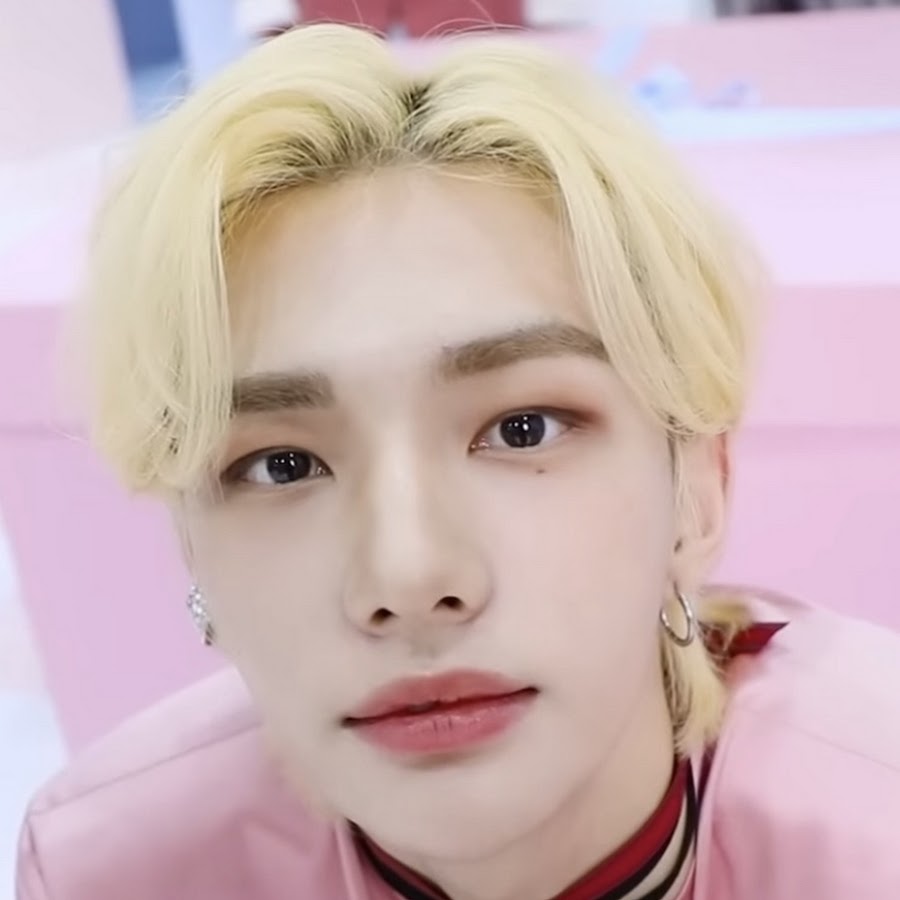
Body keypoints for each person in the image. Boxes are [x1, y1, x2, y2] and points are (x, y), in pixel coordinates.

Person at [15, 23, 900, 900]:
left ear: (700, 484)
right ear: (191, 545)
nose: (407, 577)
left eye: (523, 429)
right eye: (283, 465)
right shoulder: (109, 869)